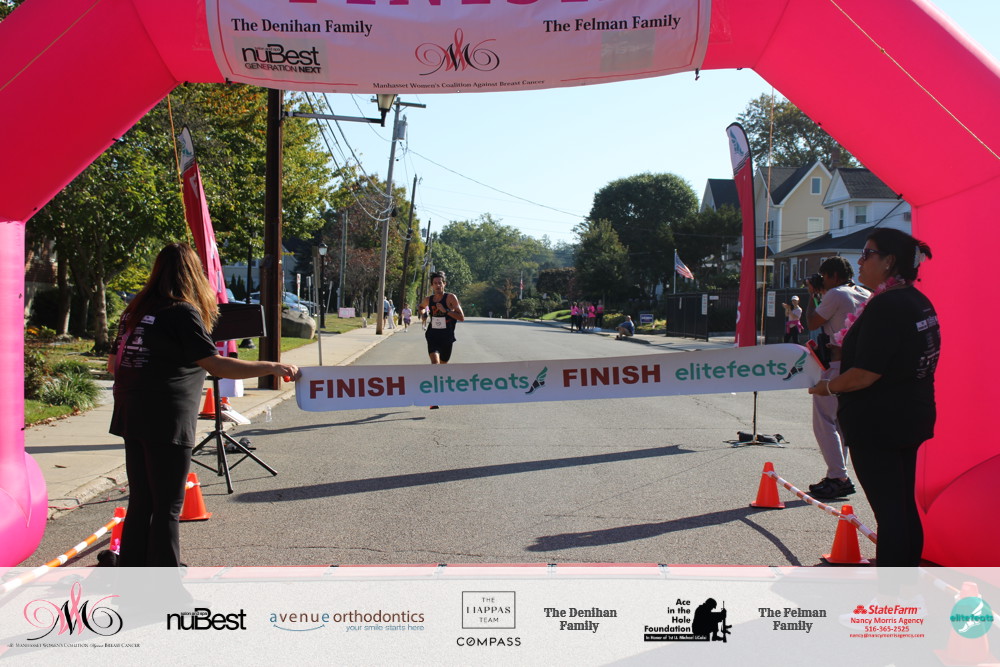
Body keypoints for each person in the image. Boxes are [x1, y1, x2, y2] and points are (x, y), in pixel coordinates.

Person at [108, 243, 299, 567]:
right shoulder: (181, 311)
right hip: (167, 416)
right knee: (168, 505)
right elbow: (217, 365)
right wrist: (271, 366)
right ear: (193, 274)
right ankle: (165, 583)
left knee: (142, 501)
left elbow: (113, 364)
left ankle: (132, 572)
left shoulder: (135, 309)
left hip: (130, 410)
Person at [809, 228, 940, 566]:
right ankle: (907, 583)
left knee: (891, 513)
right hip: (909, 416)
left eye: (867, 254)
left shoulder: (886, 305)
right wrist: (841, 352)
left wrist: (826, 387)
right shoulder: (916, 300)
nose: (860, 261)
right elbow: (895, 354)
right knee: (902, 507)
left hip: (879, 424)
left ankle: (892, 591)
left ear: (889, 262)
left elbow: (866, 374)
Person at [804, 257, 869, 500]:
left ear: (833, 275)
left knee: (824, 421)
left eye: (824, 276)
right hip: (856, 364)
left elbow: (813, 322)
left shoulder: (836, 294)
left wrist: (813, 295)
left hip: (835, 362)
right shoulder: (864, 292)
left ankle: (838, 477)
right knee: (840, 421)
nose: (823, 281)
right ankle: (839, 475)